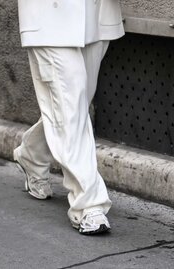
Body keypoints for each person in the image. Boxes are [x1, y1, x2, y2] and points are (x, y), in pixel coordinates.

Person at [14, 0, 125, 235]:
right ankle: (88, 205)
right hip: (48, 15)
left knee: (73, 108)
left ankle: (32, 154)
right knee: (70, 108)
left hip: (96, 11)